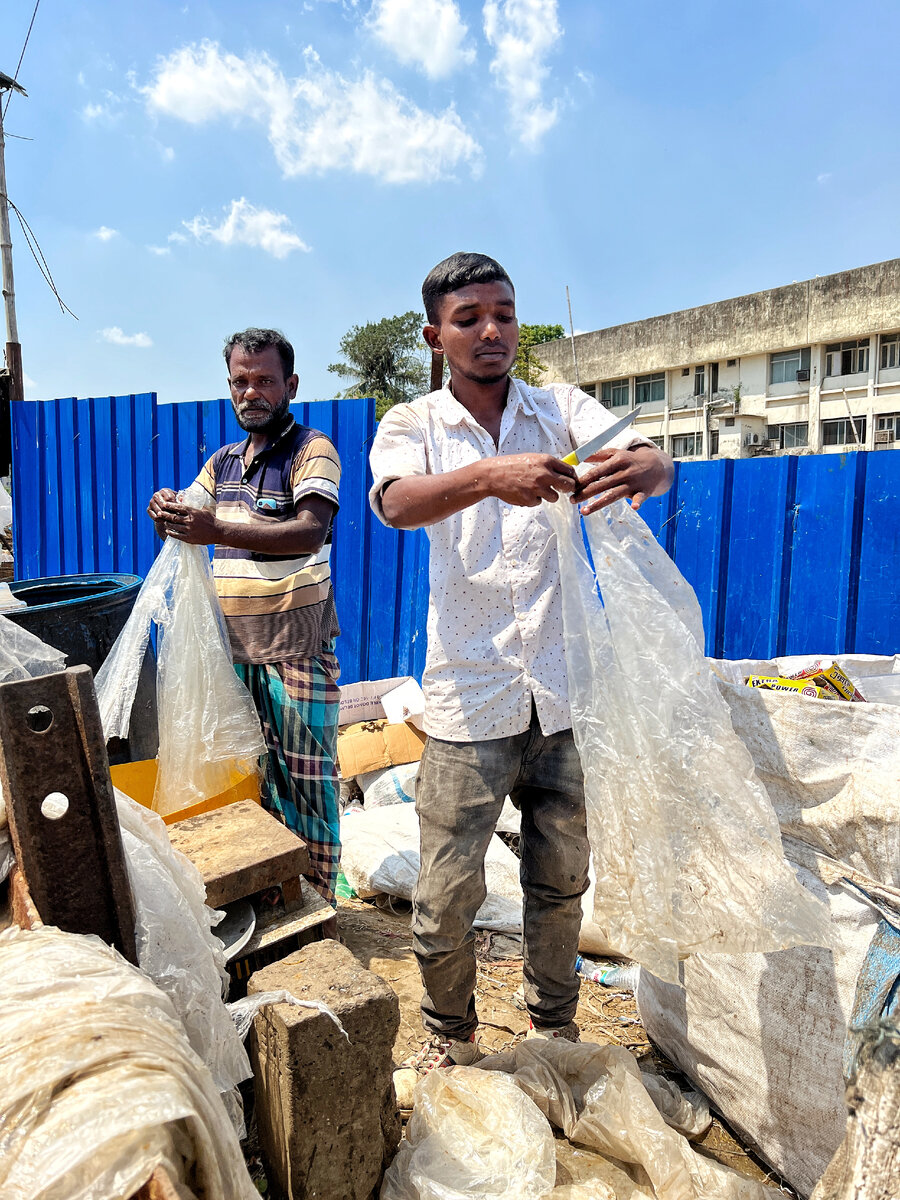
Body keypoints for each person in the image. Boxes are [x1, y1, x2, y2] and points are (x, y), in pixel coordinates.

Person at [368, 253, 674, 1071]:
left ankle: (554, 1026)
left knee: (561, 880)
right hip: (471, 696)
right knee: (445, 892)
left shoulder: (558, 407)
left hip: (562, 694)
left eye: (503, 312)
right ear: (437, 336)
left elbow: (650, 459)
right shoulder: (414, 424)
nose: (491, 330)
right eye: (468, 319)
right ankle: (450, 1034)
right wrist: (483, 478)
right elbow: (395, 503)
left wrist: (649, 464)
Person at [147, 327, 343, 914]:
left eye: (263, 380)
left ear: (291, 385)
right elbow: (192, 515)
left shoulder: (313, 450)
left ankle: (321, 904)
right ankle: (275, 899)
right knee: (253, 783)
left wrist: (216, 531)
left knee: (308, 786)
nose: (251, 392)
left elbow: (310, 532)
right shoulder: (223, 461)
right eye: (240, 381)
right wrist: (167, 510)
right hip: (233, 653)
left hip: (295, 650)